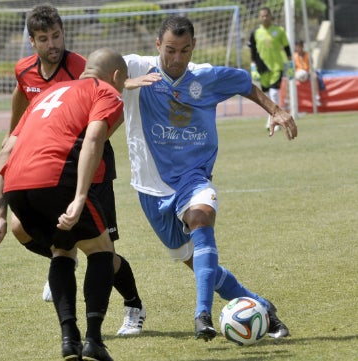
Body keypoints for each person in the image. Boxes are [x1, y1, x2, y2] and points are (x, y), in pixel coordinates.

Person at [121, 16, 294, 342]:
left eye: (184, 50)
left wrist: (275, 110)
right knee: (202, 267)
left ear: (193, 47)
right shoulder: (135, 68)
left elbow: (246, 85)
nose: (176, 58)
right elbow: (97, 68)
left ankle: (202, 314)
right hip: (150, 190)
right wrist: (117, 82)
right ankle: (264, 309)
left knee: (202, 217)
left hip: (193, 177)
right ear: (158, 45)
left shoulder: (205, 76)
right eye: (170, 50)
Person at [0, 48, 152, 361]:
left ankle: (69, 341)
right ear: (117, 76)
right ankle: (93, 340)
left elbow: (6, 148)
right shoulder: (106, 92)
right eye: (123, 80)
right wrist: (78, 198)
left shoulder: (48, 94)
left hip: (17, 184)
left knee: (63, 249)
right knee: (102, 250)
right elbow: (94, 139)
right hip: (56, 177)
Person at [6, 3, 146, 336]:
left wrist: (126, 85)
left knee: (105, 253)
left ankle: (134, 305)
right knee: (19, 228)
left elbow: (108, 100)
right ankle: (63, 259)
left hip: (91, 169)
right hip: (49, 170)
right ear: (32, 42)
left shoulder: (81, 67)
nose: (53, 43)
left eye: (57, 35)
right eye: (44, 38)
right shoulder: (24, 72)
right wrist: (14, 142)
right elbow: (20, 107)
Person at [249, 7, 292, 130]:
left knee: (274, 94)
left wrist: (290, 65)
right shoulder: (255, 32)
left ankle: (275, 122)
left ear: (271, 16)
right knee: (266, 96)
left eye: (266, 15)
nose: (264, 18)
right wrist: (253, 67)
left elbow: (287, 48)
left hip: (276, 67)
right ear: (259, 17)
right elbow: (252, 50)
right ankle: (271, 119)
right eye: (262, 16)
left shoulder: (279, 30)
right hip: (262, 68)